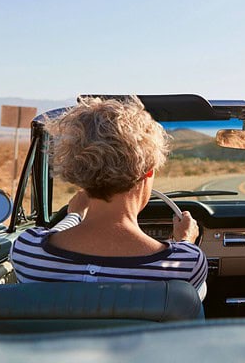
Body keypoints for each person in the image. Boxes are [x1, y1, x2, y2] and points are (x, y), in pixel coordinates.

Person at [11, 96, 207, 300]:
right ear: (147, 171)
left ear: (78, 169)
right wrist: (186, 240)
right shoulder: (186, 263)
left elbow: (48, 236)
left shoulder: (27, 252)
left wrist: (74, 216)